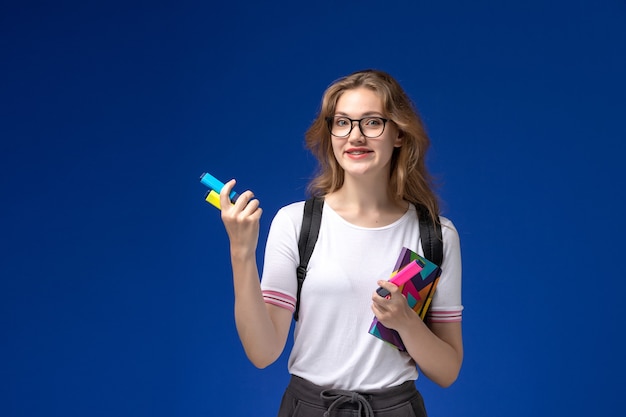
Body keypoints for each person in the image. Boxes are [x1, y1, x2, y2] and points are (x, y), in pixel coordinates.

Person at [218, 69, 463, 417]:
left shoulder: (436, 236)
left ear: (398, 133)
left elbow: (447, 370)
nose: (355, 136)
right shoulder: (296, 223)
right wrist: (241, 252)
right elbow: (263, 352)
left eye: (372, 122)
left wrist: (407, 322)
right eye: (343, 122)